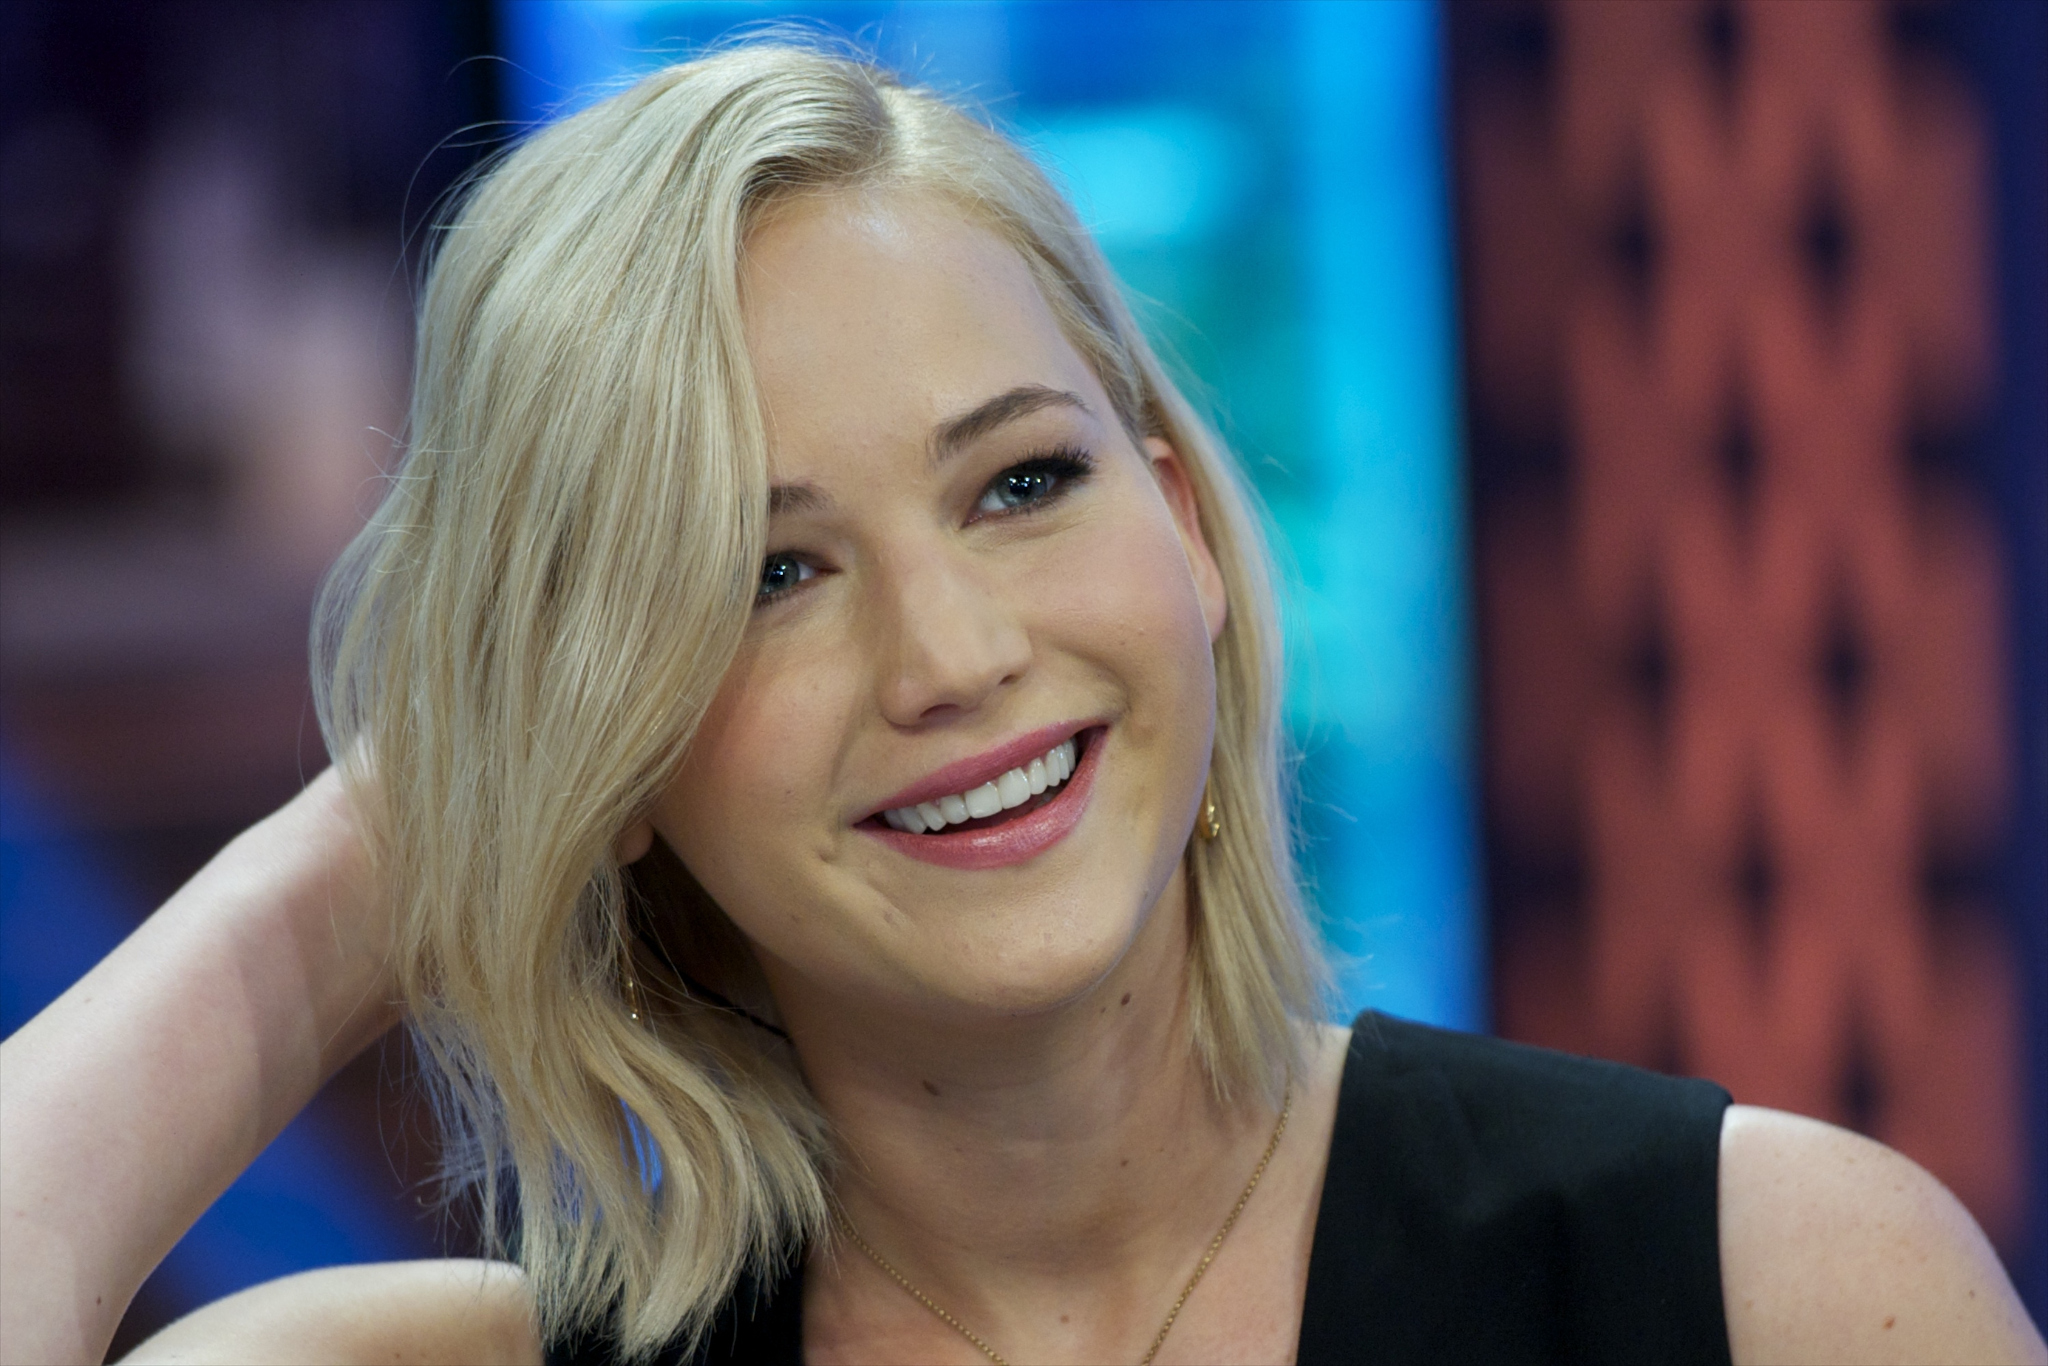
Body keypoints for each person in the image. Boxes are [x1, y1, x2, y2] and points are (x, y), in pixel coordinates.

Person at [2, 40, 2042, 1366]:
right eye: (767, 575)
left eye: (1019, 483)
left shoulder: (1773, 1281)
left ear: (1186, 528)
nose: (952, 653)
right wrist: (419, 810)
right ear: (608, 730)